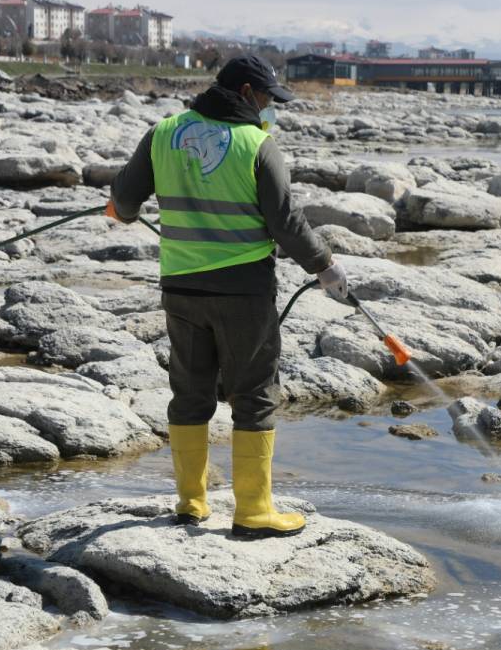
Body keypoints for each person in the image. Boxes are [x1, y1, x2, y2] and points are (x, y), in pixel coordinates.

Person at [108, 54, 348, 539]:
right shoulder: (257, 145)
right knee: (255, 395)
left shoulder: (163, 133)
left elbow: (124, 203)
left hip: (181, 288)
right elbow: (286, 223)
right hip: (243, 291)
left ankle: (191, 504)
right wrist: (325, 267)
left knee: (189, 393)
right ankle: (254, 512)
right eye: (266, 99)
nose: (269, 108)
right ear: (245, 93)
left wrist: (124, 210)